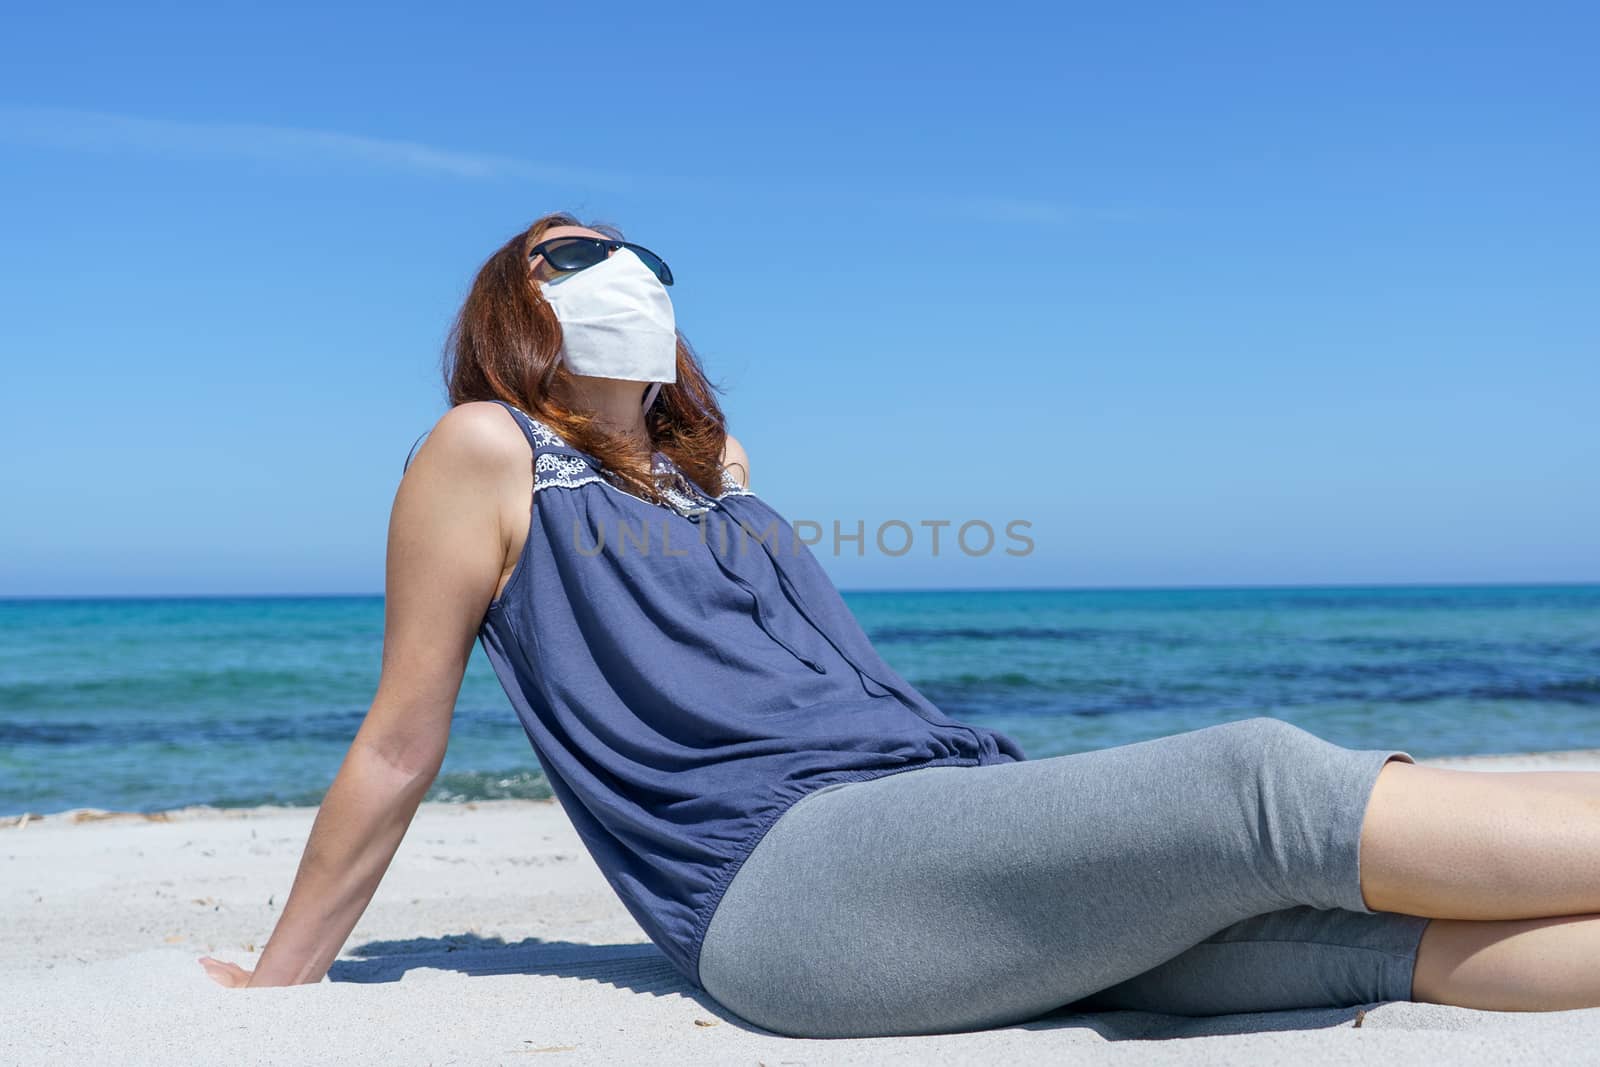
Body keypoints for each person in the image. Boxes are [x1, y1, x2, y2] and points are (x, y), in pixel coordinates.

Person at [201, 212, 1600, 1037]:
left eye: (639, 250)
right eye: (578, 248)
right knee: (1263, 781)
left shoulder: (714, 481)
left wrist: (732, 488)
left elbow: (836, 686)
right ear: (516, 300)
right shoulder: (482, 447)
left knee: (1324, 940)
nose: (621, 265)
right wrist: (281, 981)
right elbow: (399, 742)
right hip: (787, 887)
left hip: (920, 828)